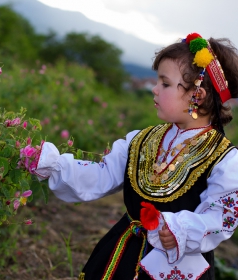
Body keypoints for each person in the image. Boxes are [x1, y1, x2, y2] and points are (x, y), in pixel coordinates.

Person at [34, 33, 238, 279]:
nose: (154, 89)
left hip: (179, 266)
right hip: (123, 252)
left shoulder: (225, 161)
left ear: (198, 95)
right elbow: (102, 175)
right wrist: (52, 165)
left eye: (164, 83)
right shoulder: (141, 140)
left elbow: (220, 218)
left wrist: (179, 229)